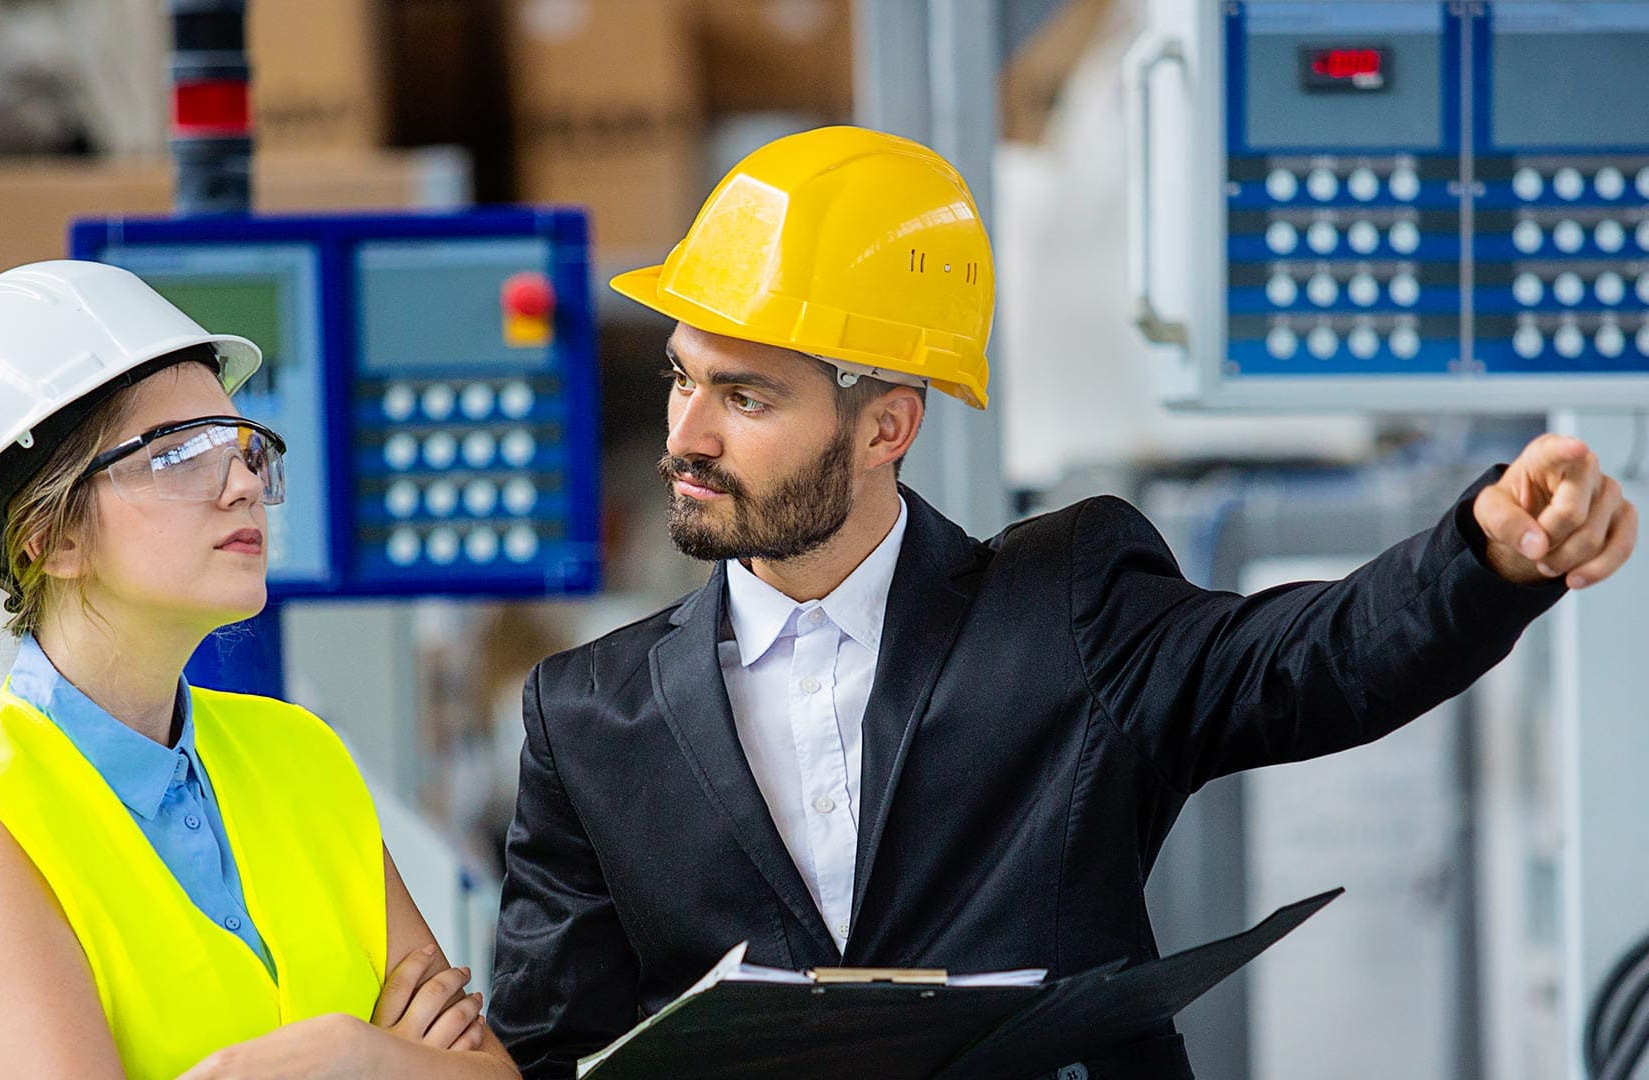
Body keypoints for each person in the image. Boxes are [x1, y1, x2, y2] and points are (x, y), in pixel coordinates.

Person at [486, 126, 1638, 1078]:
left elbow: (1306, 662)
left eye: (742, 396)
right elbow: (554, 1053)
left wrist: (1487, 556)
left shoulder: (1067, 609)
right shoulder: (588, 719)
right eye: (682, 377)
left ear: (886, 426)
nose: (685, 436)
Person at [0, 261, 519, 1080]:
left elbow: (493, 1075)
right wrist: (390, 1061)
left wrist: (348, 1053)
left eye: (245, 448)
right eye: (180, 453)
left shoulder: (304, 757)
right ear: (50, 537)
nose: (244, 484)